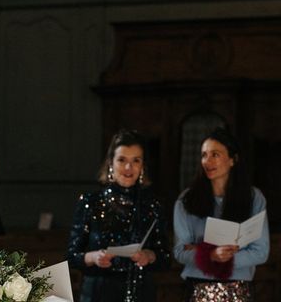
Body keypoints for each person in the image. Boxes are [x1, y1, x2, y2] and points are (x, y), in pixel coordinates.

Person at [67, 129, 170, 302]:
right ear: (110, 163)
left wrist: (148, 255)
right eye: (122, 160)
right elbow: (71, 257)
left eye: (135, 160)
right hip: (97, 293)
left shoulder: (153, 206)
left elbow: (165, 259)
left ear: (142, 166)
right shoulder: (90, 202)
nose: (129, 167)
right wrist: (94, 257)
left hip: (140, 292)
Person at [173, 128, 269, 301]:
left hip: (238, 288)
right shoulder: (186, 199)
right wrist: (210, 255)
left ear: (233, 159)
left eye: (215, 154)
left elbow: (261, 252)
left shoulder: (254, 197)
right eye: (204, 155)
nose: (207, 161)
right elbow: (180, 251)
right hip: (198, 287)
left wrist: (209, 254)